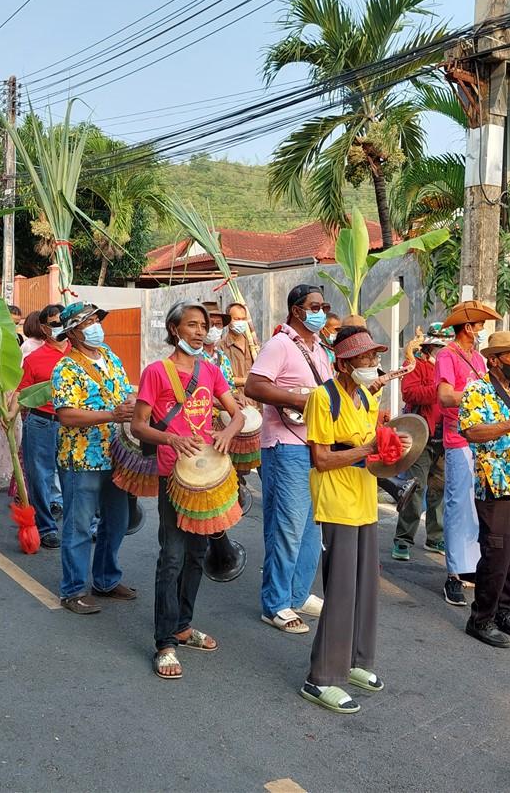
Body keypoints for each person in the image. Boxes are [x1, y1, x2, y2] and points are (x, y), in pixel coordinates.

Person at [301, 325, 411, 713]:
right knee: (342, 590)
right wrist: (366, 448)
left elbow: (374, 449)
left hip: (364, 499)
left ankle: (357, 661)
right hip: (336, 502)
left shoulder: (365, 395)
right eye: (365, 358)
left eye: (374, 357)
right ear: (344, 363)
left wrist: (395, 445)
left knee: (365, 587)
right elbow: (322, 459)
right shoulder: (321, 397)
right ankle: (321, 678)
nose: (372, 363)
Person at [133, 301, 243, 679]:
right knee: (173, 556)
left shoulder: (211, 370)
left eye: (205, 325)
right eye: (193, 325)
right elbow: (138, 426)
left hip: (205, 476)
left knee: (197, 553)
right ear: (175, 329)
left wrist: (228, 431)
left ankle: (183, 624)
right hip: (173, 476)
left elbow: (237, 412)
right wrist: (170, 440)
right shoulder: (156, 372)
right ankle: (165, 642)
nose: (200, 331)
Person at [245, 283, 332, 634]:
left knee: (312, 525)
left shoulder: (320, 348)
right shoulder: (279, 344)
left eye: (324, 305)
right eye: (315, 305)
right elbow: (254, 385)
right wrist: (299, 401)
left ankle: (298, 593)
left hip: (314, 445)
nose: (321, 311)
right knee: (287, 526)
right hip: (284, 445)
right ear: (297, 310)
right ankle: (276, 603)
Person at [50, 302, 137, 613]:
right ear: (72, 332)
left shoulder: (110, 356)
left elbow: (126, 391)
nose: (96, 326)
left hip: (116, 454)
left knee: (117, 521)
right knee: (80, 525)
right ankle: (72, 590)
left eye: (96, 320)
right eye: (89, 322)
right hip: (81, 457)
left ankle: (106, 580)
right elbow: (66, 415)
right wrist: (112, 414)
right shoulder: (66, 368)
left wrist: (129, 405)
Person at [458, 330, 510, 648]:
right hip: (496, 485)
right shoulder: (477, 390)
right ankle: (481, 619)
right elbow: (472, 431)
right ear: (494, 361)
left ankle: (504, 612)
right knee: (496, 555)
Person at [436, 300, 500, 607]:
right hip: (458, 436)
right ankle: (453, 573)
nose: (482, 331)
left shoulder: (479, 358)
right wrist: (479, 394)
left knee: (477, 506)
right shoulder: (446, 355)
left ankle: (471, 566)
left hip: (482, 439)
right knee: (458, 505)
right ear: (467, 327)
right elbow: (446, 396)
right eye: (479, 326)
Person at [392, 327, 450, 560]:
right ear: (430, 348)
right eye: (441, 347)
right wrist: (440, 391)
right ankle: (403, 539)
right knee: (416, 489)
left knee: (440, 490)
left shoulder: (452, 368)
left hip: (445, 437)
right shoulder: (418, 366)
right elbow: (410, 394)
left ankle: (435, 537)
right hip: (422, 436)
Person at [17, 305, 69, 548]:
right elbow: (22, 395)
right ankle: (47, 527)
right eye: (53, 323)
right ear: (44, 328)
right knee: (40, 477)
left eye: (62, 321)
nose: (58, 327)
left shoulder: (81, 356)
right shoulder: (33, 359)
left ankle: (81, 525)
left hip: (75, 425)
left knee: (76, 477)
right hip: (41, 422)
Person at [221, 300, 256, 405]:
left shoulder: (253, 344)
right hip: (236, 402)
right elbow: (222, 379)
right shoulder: (220, 348)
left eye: (243, 319)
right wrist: (246, 381)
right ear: (228, 321)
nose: (240, 322)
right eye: (236, 319)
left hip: (257, 399)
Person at [199, 301, 235, 387]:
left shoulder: (222, 357)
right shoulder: (192, 356)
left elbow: (230, 386)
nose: (214, 328)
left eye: (218, 324)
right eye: (210, 324)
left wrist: (237, 396)